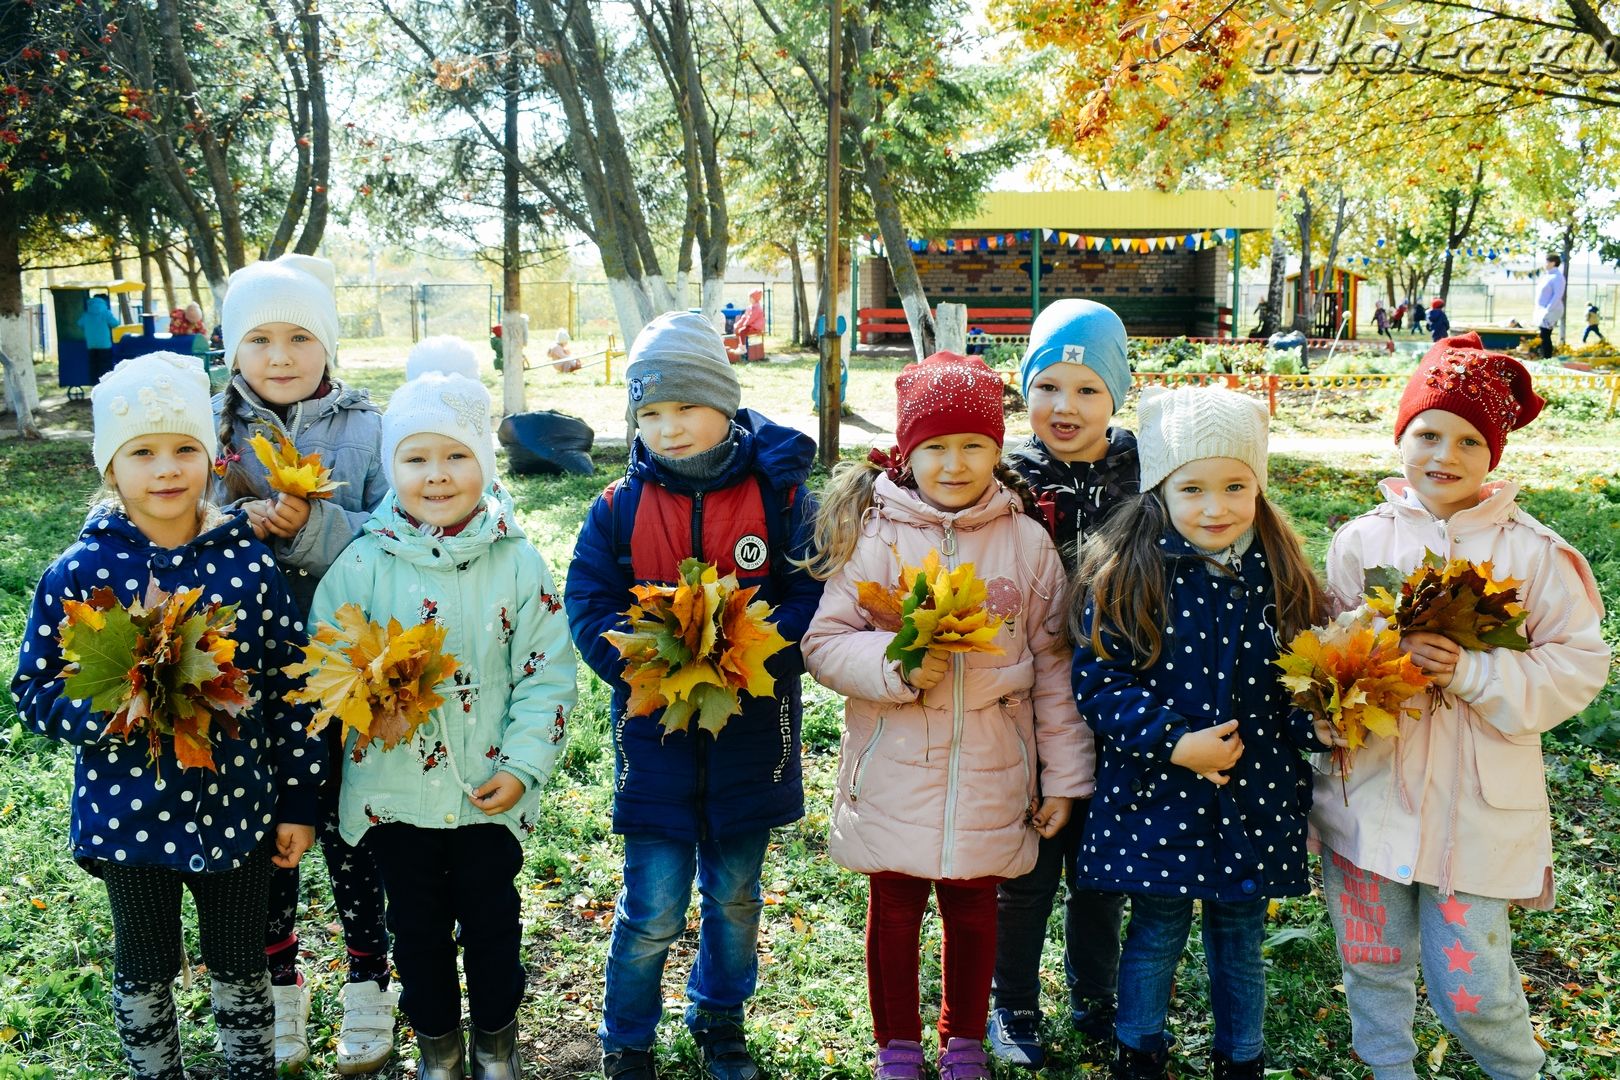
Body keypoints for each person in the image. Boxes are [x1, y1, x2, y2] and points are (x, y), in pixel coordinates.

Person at [11, 352, 324, 1080]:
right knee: (145, 964)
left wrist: (299, 800)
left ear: (212, 459)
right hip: (129, 814)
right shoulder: (80, 572)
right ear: (109, 468)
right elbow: (33, 690)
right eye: (141, 451)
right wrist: (110, 713)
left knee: (242, 964)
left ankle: (249, 1067)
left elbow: (290, 687)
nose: (166, 468)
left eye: (184, 448)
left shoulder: (245, 564)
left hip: (237, 805)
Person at [1312, 333, 1609, 1080]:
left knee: (1473, 983)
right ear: (1401, 436)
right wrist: (1355, 672)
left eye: (1470, 440)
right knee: (1371, 958)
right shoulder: (1360, 542)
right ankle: (1389, 1067)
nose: (1444, 454)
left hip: (1474, 812)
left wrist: (1474, 673)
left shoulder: (1533, 555)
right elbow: (1327, 648)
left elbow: (1579, 666)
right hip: (1368, 797)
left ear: (1494, 455)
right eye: (1428, 433)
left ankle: (1518, 1070)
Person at [800, 351, 1090, 1080]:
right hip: (895, 764)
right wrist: (894, 667)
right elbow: (825, 644)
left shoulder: (1026, 543)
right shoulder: (878, 536)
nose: (954, 463)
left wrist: (1064, 775)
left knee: (973, 909)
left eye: (973, 445)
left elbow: (1054, 666)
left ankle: (963, 1040)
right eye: (934, 447)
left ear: (998, 448)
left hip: (994, 767)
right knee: (894, 910)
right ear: (907, 452)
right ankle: (896, 1043)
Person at [565, 312, 824, 1080]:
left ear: (726, 402)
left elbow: (812, 592)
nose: (668, 428)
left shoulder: (780, 498)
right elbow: (588, 599)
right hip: (656, 748)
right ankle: (628, 1035)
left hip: (753, 739)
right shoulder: (616, 506)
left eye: (684, 408)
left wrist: (751, 653)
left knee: (736, 899)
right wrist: (646, 661)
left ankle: (718, 1013)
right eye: (649, 413)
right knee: (650, 910)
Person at [310, 368, 574, 1080]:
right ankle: (438, 1049)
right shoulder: (362, 563)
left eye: (456, 456)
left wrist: (522, 767)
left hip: (490, 791)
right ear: (392, 466)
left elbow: (547, 672)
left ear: (483, 465)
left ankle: (495, 1042)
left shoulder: (516, 561)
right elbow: (328, 664)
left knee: (493, 925)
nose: (436, 475)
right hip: (396, 795)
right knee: (417, 932)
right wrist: (368, 688)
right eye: (416, 457)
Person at [1071, 385, 1332, 1080]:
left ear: (1259, 488)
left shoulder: (1281, 577)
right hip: (1157, 791)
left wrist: (1319, 719)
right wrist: (1174, 742)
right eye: (1192, 488)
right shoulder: (1130, 572)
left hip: (1256, 796)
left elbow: (1299, 682)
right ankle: (1139, 1048)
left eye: (1235, 486)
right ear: (1160, 489)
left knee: (1240, 933)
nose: (1214, 507)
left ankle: (1241, 1057)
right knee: (1157, 926)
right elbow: (1100, 684)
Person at [212, 253, 397, 1073]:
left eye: (299, 337)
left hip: (348, 660)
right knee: (269, 837)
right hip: (246, 674)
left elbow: (397, 523)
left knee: (353, 831)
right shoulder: (210, 426)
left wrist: (310, 529)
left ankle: (368, 983)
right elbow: (168, 512)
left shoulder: (369, 426)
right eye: (259, 338)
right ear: (231, 349)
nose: (280, 356)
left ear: (328, 345)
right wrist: (237, 521)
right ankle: (280, 988)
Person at [987, 300, 1136, 1068]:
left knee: (1102, 866)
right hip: (1032, 700)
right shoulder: (1006, 478)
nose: (1064, 407)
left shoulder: (1147, 476)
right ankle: (1010, 1001)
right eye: (1047, 386)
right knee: (1030, 861)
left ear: (1117, 395)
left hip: (1124, 699)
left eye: (1086, 390)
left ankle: (1095, 994)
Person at [77, 293, 121, 380]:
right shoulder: (105, 313)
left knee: (94, 364)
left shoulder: (86, 313)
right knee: (105, 365)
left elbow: (80, 324)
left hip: (91, 344)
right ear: (104, 301)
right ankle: (105, 382)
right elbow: (115, 323)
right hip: (104, 343)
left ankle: (94, 382)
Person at [1533, 253, 1566, 359]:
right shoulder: (1548, 276)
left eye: (1547, 262)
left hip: (1551, 310)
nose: (1545, 264)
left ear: (1553, 263)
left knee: (1545, 335)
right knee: (1542, 335)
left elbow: (1557, 295)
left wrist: (1548, 310)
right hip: (1542, 310)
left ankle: (1547, 358)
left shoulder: (1558, 277)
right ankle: (1543, 357)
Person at [731, 289, 767, 361]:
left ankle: (743, 348)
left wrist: (744, 324)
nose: (749, 299)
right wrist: (738, 324)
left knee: (742, 331)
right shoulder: (750, 307)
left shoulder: (756, 308)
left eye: (751, 297)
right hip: (751, 325)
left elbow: (751, 318)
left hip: (756, 326)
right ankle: (740, 346)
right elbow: (744, 317)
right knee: (739, 330)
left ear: (755, 298)